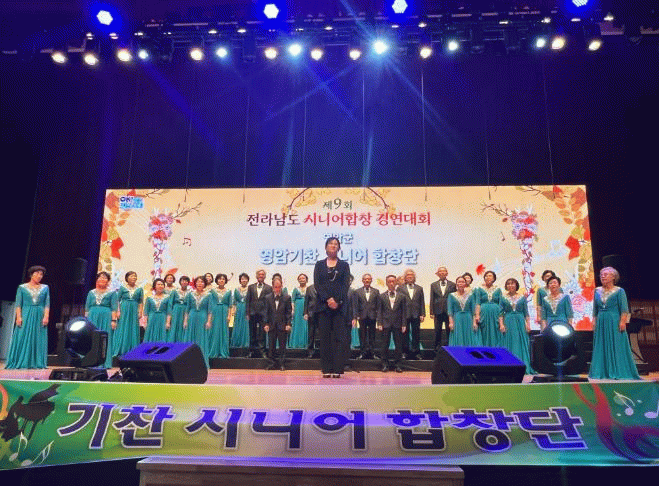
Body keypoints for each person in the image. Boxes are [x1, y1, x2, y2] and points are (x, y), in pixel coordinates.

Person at [589, 267, 640, 380]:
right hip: (601, 321)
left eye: (606, 274)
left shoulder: (619, 291)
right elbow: (595, 309)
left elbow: (624, 309)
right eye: (601, 274)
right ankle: (601, 371)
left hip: (614, 321)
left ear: (613, 277)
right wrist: (594, 321)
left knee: (616, 345)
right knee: (601, 346)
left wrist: (622, 322)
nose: (603, 276)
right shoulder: (597, 290)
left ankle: (618, 371)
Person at [313, 237, 351, 378]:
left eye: (336, 244)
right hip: (323, 306)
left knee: (339, 339)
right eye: (331, 244)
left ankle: (337, 369)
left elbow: (345, 285)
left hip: (339, 307)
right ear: (326, 247)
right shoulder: (319, 265)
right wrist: (328, 299)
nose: (333, 246)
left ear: (339, 248)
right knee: (325, 338)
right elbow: (317, 284)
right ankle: (326, 368)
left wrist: (337, 301)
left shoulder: (344, 265)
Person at [5, 265, 50, 369]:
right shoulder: (22, 287)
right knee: (22, 336)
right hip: (26, 313)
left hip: (39, 314)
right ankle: (20, 360)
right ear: (31, 274)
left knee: (37, 337)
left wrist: (46, 316)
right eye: (37, 273)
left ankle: (36, 362)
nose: (39, 276)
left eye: (41, 274)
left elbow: (47, 303)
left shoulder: (45, 288)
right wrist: (18, 317)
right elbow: (18, 304)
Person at [499, 278, 533, 374]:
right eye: (508, 284)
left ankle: (522, 366)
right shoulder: (503, 298)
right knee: (509, 342)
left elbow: (526, 313)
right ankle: (509, 366)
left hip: (520, 322)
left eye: (512, 283)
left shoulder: (522, 297)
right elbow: (500, 313)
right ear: (506, 286)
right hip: (508, 321)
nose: (510, 285)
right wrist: (501, 324)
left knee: (520, 343)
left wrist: (528, 325)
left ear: (516, 285)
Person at [84, 271, 118, 368]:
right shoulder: (91, 293)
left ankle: (105, 362)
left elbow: (114, 308)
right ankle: (91, 361)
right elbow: (87, 308)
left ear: (108, 281)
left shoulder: (112, 293)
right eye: (100, 277)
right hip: (92, 316)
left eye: (105, 278)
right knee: (92, 337)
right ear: (97, 280)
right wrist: (86, 320)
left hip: (106, 317)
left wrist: (113, 321)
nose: (102, 279)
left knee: (105, 338)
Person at [376, 275, 407, 373]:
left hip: (398, 324)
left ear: (396, 283)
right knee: (384, 345)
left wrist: (404, 324)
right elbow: (379, 310)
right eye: (389, 281)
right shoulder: (381, 296)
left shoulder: (402, 296)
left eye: (393, 281)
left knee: (399, 345)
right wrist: (379, 323)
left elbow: (404, 311)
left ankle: (398, 365)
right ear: (386, 283)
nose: (391, 283)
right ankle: (384, 365)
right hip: (385, 323)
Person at [113, 271, 143, 359]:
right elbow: (117, 300)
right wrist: (118, 311)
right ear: (127, 278)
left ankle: (133, 349)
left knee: (133, 327)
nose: (133, 277)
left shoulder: (139, 289)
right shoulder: (122, 288)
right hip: (124, 309)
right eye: (131, 276)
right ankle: (121, 349)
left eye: (135, 276)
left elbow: (141, 301)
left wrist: (140, 311)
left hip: (134, 309)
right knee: (123, 327)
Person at [264, 278, 292, 371]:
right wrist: (266, 324)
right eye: (275, 287)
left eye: (279, 287)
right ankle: (271, 364)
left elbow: (288, 312)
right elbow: (266, 312)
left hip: (282, 325)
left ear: (281, 287)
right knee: (271, 346)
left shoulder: (287, 297)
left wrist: (288, 324)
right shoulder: (267, 297)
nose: (277, 289)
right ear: (272, 287)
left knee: (282, 346)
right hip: (271, 325)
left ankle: (282, 364)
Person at [184, 276, 212, 367]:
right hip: (192, 317)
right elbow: (187, 309)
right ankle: (189, 361)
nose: (200, 283)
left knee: (201, 338)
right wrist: (185, 321)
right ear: (195, 283)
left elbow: (210, 310)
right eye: (198, 282)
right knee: (190, 338)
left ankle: (201, 363)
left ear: (205, 284)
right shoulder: (190, 294)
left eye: (202, 282)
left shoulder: (209, 295)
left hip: (202, 317)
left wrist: (209, 321)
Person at [398, 269, 425, 359]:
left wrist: (422, 313)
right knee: (404, 334)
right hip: (404, 314)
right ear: (405, 277)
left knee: (416, 334)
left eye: (411, 275)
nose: (410, 277)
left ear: (414, 277)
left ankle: (416, 352)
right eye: (408, 275)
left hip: (416, 314)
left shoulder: (419, 288)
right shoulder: (400, 288)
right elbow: (398, 302)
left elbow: (422, 301)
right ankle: (405, 352)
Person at [448, 276, 481, 347]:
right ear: (456, 284)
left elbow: (473, 310)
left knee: (468, 336)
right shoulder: (451, 295)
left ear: (465, 284)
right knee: (458, 336)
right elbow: (450, 310)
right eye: (459, 282)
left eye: (462, 282)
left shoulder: (470, 295)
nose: (461, 283)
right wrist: (451, 322)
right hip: (457, 318)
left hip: (468, 318)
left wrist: (474, 322)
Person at [246, 269, 272, 358]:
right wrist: (247, 313)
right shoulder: (251, 287)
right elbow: (248, 300)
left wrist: (268, 315)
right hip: (252, 313)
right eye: (259, 274)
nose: (261, 276)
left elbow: (269, 302)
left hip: (263, 314)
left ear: (265, 276)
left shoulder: (269, 288)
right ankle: (251, 351)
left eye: (262, 274)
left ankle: (263, 351)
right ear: (256, 276)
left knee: (262, 334)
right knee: (252, 333)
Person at [353, 273, 379, 360]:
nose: (367, 280)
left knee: (372, 336)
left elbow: (378, 305)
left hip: (372, 316)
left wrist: (378, 317)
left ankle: (372, 353)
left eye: (368, 279)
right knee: (362, 336)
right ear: (362, 280)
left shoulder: (376, 291)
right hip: (362, 317)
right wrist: (355, 317)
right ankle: (362, 353)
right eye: (365, 279)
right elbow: (355, 305)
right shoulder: (357, 291)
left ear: (371, 280)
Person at [474, 270, 503, 347]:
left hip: (495, 313)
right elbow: (477, 303)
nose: (488, 277)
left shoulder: (498, 289)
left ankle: (495, 349)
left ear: (494, 278)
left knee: (495, 330)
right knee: (484, 330)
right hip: (484, 313)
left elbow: (501, 303)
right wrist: (477, 315)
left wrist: (501, 316)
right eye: (486, 276)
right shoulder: (479, 289)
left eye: (490, 276)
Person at [429, 266, 456, 350]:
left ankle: (450, 346)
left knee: (449, 330)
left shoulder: (452, 285)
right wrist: (431, 312)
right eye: (440, 271)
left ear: (447, 273)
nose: (442, 273)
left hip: (449, 311)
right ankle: (437, 347)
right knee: (437, 330)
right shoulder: (433, 285)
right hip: (438, 311)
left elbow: (454, 298)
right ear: (437, 274)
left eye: (444, 271)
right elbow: (432, 298)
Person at [209, 273, 231, 359]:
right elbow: (210, 303)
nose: (221, 280)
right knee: (214, 330)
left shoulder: (229, 291)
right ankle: (213, 351)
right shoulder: (212, 291)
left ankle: (223, 351)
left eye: (223, 279)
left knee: (224, 331)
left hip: (224, 312)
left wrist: (229, 316)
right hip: (215, 311)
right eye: (219, 279)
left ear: (225, 281)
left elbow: (230, 305)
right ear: (217, 280)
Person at [166, 276, 190, 342]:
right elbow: (170, 304)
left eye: (186, 281)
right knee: (174, 327)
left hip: (185, 311)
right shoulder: (174, 291)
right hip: (176, 311)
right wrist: (168, 319)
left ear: (188, 283)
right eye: (182, 280)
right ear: (180, 282)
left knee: (184, 327)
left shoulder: (190, 292)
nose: (184, 282)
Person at [288, 273, 309, 349]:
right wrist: (293, 310)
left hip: (306, 309)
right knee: (297, 325)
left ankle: (304, 344)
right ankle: (295, 344)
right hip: (297, 310)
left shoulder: (309, 289)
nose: (301, 280)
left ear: (306, 280)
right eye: (300, 278)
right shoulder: (295, 289)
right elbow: (292, 300)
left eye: (303, 278)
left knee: (305, 325)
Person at [230, 273, 250, 349]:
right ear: (240, 280)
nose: (244, 280)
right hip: (238, 309)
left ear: (248, 280)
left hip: (246, 309)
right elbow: (234, 302)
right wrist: (233, 311)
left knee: (246, 325)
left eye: (245, 279)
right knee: (237, 325)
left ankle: (245, 343)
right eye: (242, 279)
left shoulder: (250, 289)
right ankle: (237, 342)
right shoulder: (236, 290)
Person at [304, 283, 319, 358]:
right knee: (311, 333)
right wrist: (305, 313)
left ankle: (322, 351)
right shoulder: (309, 288)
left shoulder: (324, 286)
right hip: (311, 313)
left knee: (322, 333)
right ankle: (310, 351)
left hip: (322, 313)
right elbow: (306, 301)